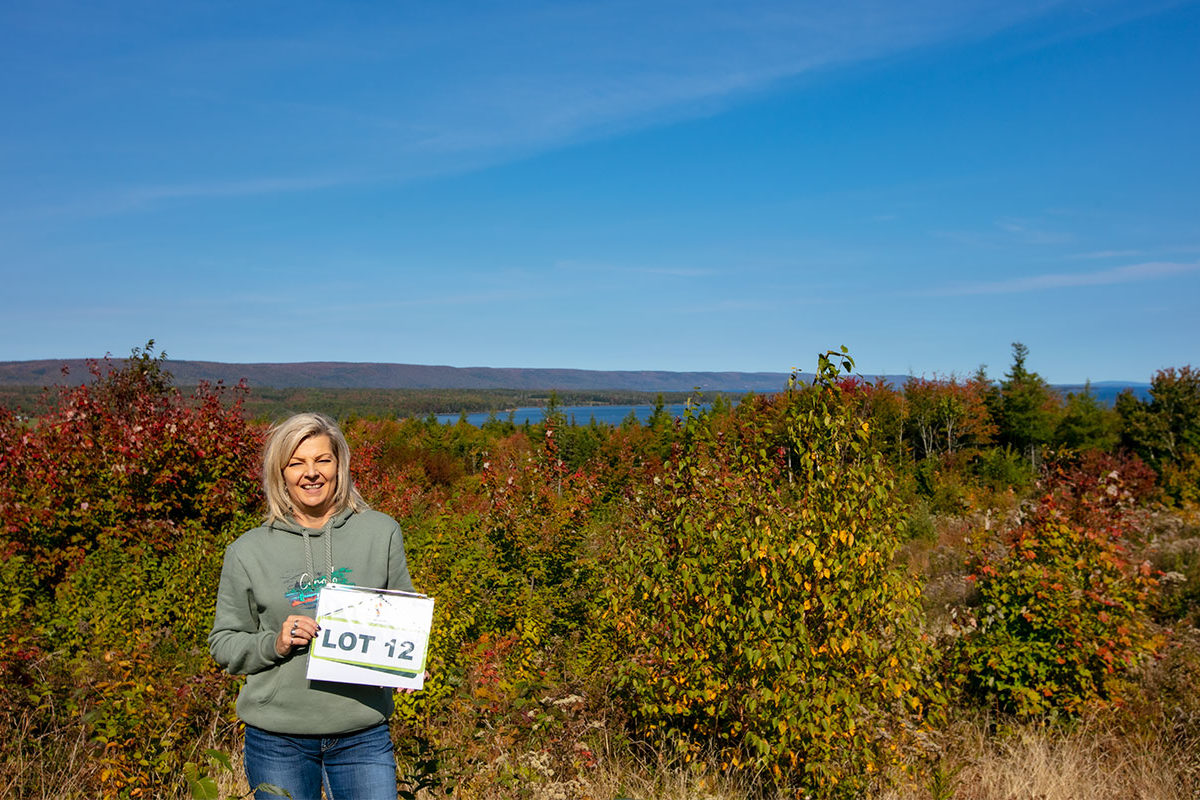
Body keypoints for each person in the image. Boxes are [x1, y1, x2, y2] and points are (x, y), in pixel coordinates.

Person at [209, 412, 413, 800]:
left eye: (322, 460)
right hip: (277, 738)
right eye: (297, 463)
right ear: (280, 472)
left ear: (340, 465)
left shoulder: (381, 532)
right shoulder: (248, 550)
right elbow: (224, 642)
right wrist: (275, 643)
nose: (311, 473)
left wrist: (404, 662)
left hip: (362, 731)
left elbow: (404, 613)